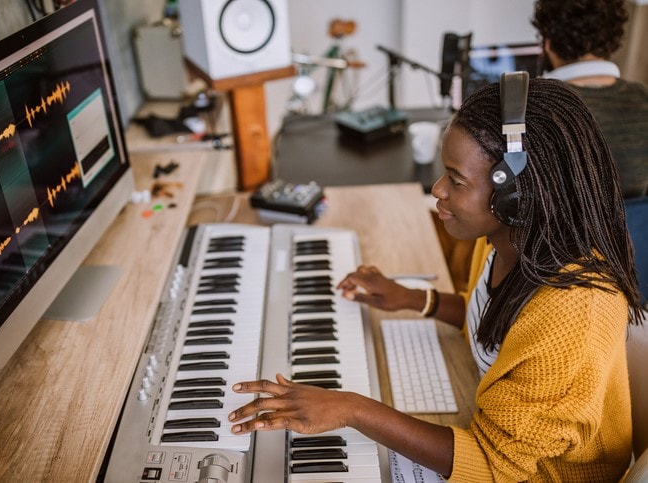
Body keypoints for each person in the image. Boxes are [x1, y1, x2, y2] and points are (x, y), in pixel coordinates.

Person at [227, 77, 645, 481]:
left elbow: (491, 466)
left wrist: (352, 409)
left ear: (515, 195)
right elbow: (494, 322)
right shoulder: (507, 239)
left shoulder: (572, 314)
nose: (437, 190)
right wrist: (414, 299)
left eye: (456, 180)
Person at [532, 0, 648, 306]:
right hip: (638, 285)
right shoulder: (642, 98)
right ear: (611, 39)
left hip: (558, 287)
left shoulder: (535, 108)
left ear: (547, 40)